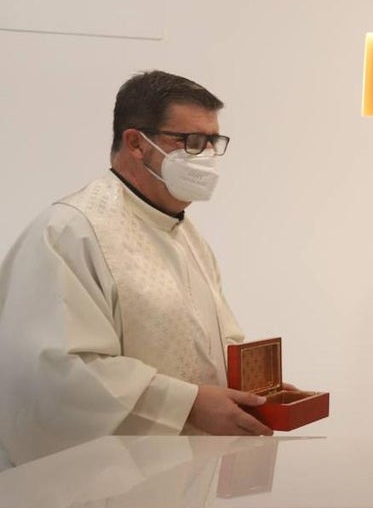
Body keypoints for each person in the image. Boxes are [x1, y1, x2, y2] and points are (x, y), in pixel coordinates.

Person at [0, 70, 272, 469]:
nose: (206, 157)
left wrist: (257, 390)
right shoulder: (71, 232)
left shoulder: (186, 235)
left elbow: (212, 343)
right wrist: (188, 405)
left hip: (184, 473)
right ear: (136, 143)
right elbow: (56, 376)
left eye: (213, 142)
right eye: (191, 142)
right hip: (100, 486)